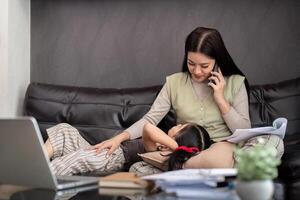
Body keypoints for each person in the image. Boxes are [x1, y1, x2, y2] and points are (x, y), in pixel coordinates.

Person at [92, 26, 252, 169]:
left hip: (220, 147)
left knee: (221, 159)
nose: (196, 71)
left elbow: (245, 130)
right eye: (191, 63)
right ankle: (183, 164)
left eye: (204, 66)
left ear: (217, 61)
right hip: (182, 148)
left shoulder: (235, 83)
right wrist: (118, 138)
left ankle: (179, 166)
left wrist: (220, 99)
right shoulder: (174, 83)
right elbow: (150, 119)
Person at [142, 122, 212, 171]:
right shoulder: (163, 144)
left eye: (180, 127)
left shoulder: (158, 150)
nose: (179, 124)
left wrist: (175, 145)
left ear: (178, 139)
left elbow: (147, 127)